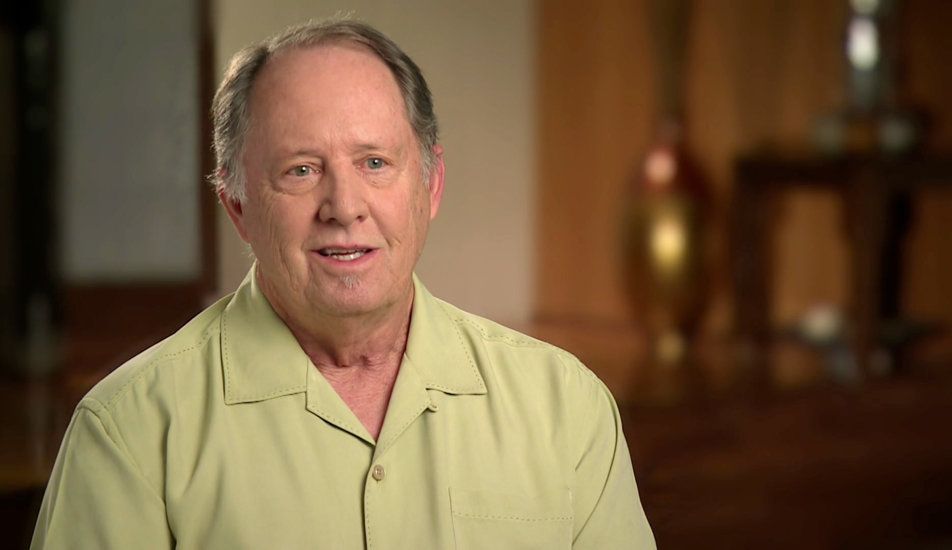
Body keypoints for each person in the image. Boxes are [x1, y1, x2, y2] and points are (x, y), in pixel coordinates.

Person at [30, 19, 655, 549]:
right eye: (301, 170)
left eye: (374, 163)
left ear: (431, 185)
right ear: (238, 206)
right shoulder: (130, 434)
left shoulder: (566, 408)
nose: (345, 207)